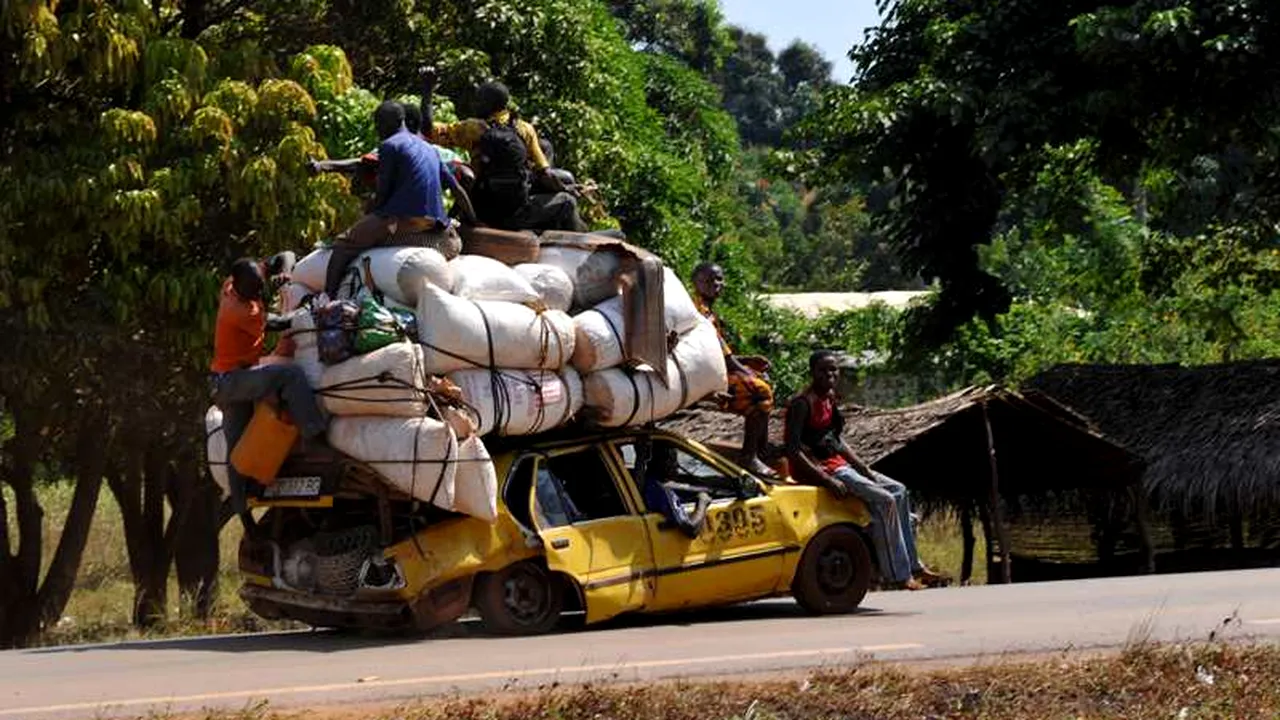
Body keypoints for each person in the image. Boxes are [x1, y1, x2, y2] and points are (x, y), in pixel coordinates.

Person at [784, 350, 946, 590]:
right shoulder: (802, 404)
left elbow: (837, 441)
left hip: (839, 464)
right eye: (823, 370)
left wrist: (863, 468)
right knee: (885, 500)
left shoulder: (829, 398)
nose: (830, 374)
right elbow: (793, 450)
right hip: (821, 470)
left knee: (899, 490)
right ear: (812, 372)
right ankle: (899, 576)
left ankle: (915, 565)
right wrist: (827, 480)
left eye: (833, 370)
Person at [211, 258, 327, 534]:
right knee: (290, 375)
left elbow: (284, 256)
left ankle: (245, 517)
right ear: (241, 289)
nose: (258, 292)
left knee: (236, 454)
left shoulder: (232, 284)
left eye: (260, 286)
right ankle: (315, 434)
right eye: (254, 291)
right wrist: (306, 313)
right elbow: (277, 322)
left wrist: (281, 271)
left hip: (230, 380)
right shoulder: (240, 312)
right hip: (232, 382)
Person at [320, 101, 469, 296]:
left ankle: (327, 299)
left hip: (402, 218)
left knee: (343, 245)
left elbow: (383, 193)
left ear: (387, 123)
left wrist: (367, 220)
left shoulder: (389, 145)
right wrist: (473, 220)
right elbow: (457, 188)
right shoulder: (430, 148)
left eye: (378, 124)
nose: (377, 130)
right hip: (435, 222)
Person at [421, 73, 588, 232]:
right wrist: (568, 190)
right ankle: (581, 240)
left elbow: (428, 130)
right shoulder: (524, 129)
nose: (474, 104)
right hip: (515, 213)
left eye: (479, 101)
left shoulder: (472, 129)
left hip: (482, 208)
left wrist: (427, 91)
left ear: (489, 105)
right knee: (567, 201)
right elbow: (546, 175)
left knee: (558, 173)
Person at [691, 262, 776, 478]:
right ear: (696, 283)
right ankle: (749, 456)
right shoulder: (699, 311)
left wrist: (747, 361)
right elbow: (723, 357)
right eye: (708, 280)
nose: (716, 284)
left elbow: (718, 352)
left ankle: (761, 448)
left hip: (712, 367)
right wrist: (745, 370)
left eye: (719, 279)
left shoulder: (708, 310)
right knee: (759, 391)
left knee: (762, 378)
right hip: (700, 372)